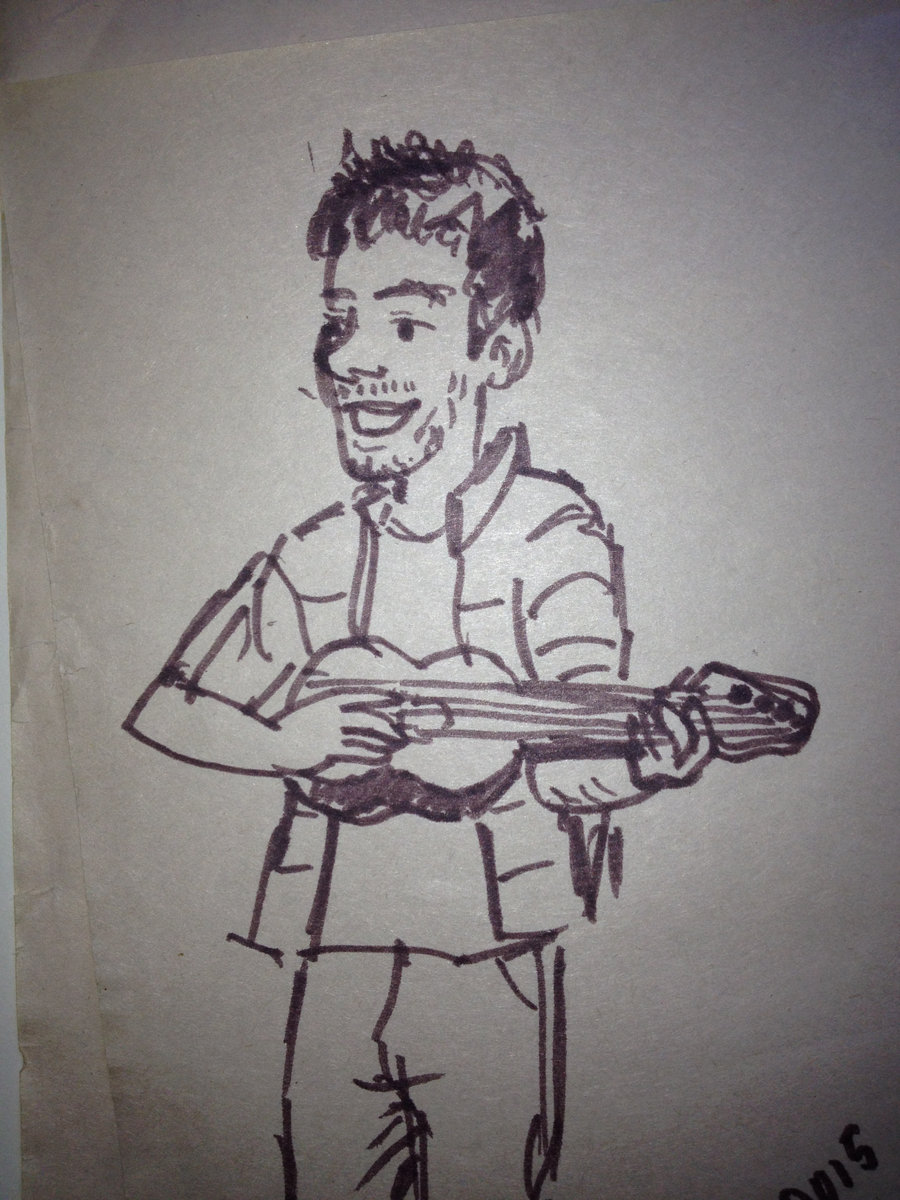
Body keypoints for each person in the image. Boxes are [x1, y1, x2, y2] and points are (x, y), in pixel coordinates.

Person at [124, 130, 712, 1200]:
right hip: (333, 959)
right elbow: (167, 706)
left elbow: (566, 758)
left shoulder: (554, 536)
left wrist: (646, 761)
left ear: (500, 353)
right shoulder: (312, 555)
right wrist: (287, 741)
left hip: (491, 966)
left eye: (404, 322)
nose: (352, 360)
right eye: (339, 323)